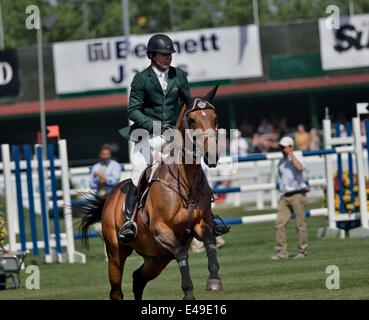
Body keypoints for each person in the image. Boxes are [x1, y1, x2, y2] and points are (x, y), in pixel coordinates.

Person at [118, 34, 229, 242]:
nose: (168, 57)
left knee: (194, 164)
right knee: (139, 169)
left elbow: (187, 104)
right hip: (147, 134)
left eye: (170, 54)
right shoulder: (141, 79)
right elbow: (133, 110)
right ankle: (129, 221)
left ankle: (208, 216)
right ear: (152, 55)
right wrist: (156, 126)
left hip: (173, 134)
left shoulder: (179, 76)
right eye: (164, 54)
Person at [271, 136, 309, 260]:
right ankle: (282, 251)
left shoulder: (298, 155)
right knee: (279, 224)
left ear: (290, 147)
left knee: (300, 224)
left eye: (284, 147)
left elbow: (299, 167)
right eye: (281, 147)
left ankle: (302, 250)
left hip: (298, 194)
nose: (281, 149)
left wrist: (291, 154)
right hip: (285, 195)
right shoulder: (281, 162)